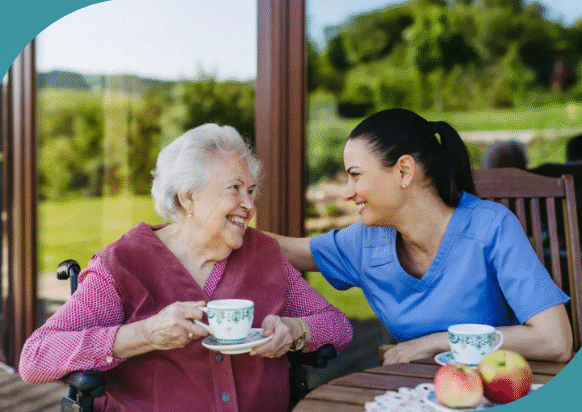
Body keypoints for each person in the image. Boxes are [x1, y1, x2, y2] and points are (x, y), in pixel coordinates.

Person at [19, 124, 353, 412]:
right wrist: (144, 335)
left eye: (251, 191)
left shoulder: (263, 253)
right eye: (234, 189)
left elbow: (337, 326)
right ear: (187, 197)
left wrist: (296, 331)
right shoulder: (123, 264)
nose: (249, 205)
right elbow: (36, 357)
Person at [267, 108, 573, 366]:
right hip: (417, 393)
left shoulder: (490, 227)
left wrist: (435, 343)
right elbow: (280, 249)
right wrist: (225, 216)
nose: (347, 192)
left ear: (403, 171)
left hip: (497, 392)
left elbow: (554, 339)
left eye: (356, 175)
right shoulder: (366, 242)